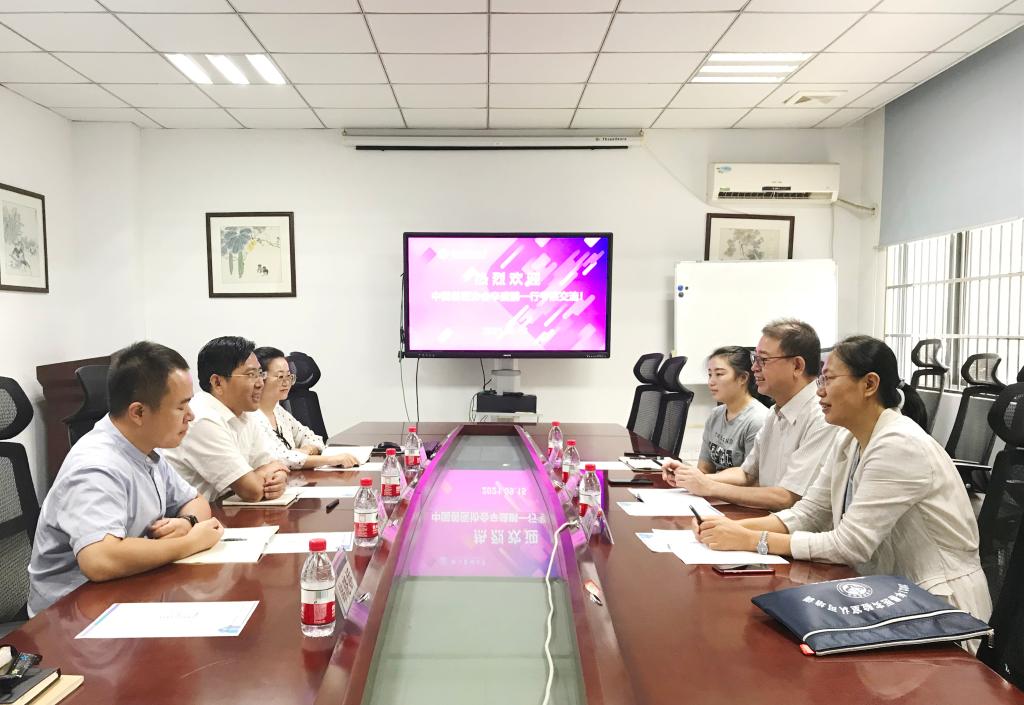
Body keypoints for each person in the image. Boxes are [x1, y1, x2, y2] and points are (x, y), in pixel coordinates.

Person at [693, 335, 991, 627]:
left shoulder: (899, 444)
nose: (819, 392)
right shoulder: (847, 439)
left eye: (829, 379)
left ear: (869, 384)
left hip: (940, 610)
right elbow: (809, 513)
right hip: (890, 594)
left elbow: (850, 545)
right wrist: (727, 529)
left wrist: (753, 541)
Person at [27, 342, 224, 616]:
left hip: (129, 591)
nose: (191, 416)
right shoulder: (96, 465)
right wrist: (189, 543)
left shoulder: (146, 448)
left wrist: (187, 522)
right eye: (181, 407)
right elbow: (99, 559)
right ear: (138, 412)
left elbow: (196, 500)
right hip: (71, 617)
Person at [663, 319, 837, 510]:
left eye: (763, 360)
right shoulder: (775, 413)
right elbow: (747, 474)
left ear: (797, 366)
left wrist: (709, 486)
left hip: (786, 525)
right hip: (767, 518)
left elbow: (788, 498)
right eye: (755, 359)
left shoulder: (822, 417)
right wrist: (692, 477)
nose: (754, 368)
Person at [164, 336, 289, 502]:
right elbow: (252, 491)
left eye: (260, 374)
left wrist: (279, 477)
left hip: (224, 509)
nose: (260, 383)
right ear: (217, 383)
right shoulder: (203, 418)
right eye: (251, 375)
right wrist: (264, 473)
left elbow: (272, 464)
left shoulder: (245, 412)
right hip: (197, 513)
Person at [252, 346, 357, 470]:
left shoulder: (278, 411)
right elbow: (279, 458)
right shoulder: (251, 417)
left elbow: (314, 438)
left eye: (289, 376)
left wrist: (307, 450)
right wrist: (331, 460)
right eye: (280, 377)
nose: (286, 382)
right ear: (260, 378)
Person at [692, 346, 769, 474]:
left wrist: (703, 481)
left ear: (743, 378)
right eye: (710, 374)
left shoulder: (757, 420)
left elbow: (750, 478)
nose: (711, 382)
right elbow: (704, 468)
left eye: (719, 374)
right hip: (711, 485)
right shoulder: (715, 415)